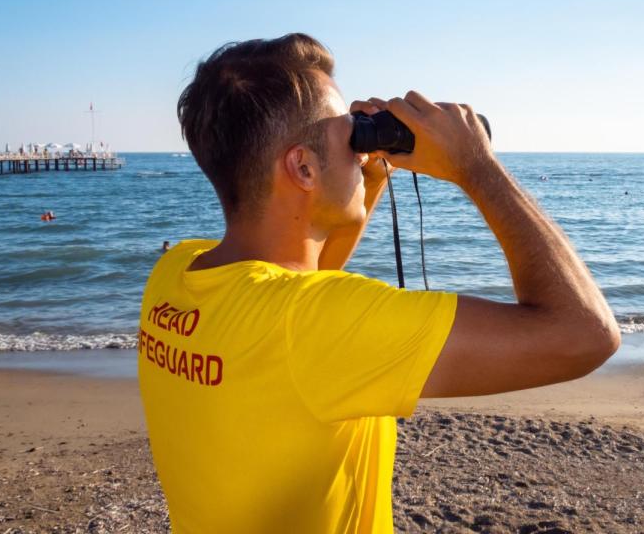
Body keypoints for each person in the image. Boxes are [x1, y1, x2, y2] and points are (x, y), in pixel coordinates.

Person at [136, 34, 619, 533]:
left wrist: (367, 177)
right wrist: (477, 166)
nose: (359, 146)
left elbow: (301, 281)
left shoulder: (177, 270)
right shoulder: (313, 324)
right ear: (303, 166)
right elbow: (584, 335)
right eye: (350, 134)